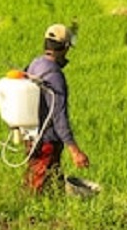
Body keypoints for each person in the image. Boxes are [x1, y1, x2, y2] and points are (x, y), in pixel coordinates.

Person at [24, 23, 90, 194]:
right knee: (38, 189)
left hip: (31, 137)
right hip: (46, 142)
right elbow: (59, 117)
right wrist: (75, 151)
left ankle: (48, 214)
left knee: (53, 186)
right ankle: (27, 216)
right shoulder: (55, 76)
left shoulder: (35, 64)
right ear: (65, 48)